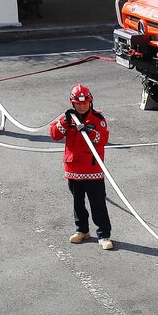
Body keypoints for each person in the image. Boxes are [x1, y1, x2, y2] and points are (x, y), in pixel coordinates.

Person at [48, 84, 114, 250]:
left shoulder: (98, 119)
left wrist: (90, 131)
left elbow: (103, 139)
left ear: (90, 102)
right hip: (74, 170)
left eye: (85, 103)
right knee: (78, 203)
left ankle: (104, 235)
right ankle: (82, 230)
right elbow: (54, 135)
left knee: (98, 203)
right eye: (78, 103)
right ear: (73, 103)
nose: (82, 106)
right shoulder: (68, 119)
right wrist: (64, 121)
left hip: (93, 170)